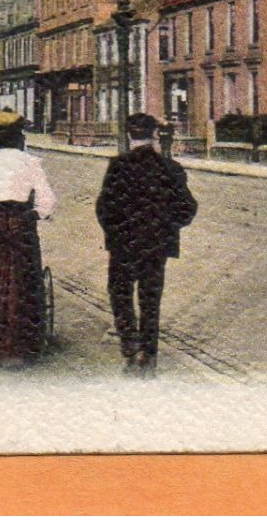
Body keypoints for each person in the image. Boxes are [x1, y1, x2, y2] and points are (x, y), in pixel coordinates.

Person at [96, 112, 198, 377]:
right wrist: (166, 228)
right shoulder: (170, 168)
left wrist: (116, 234)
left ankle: (129, 344)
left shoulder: (118, 166)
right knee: (151, 299)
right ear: (154, 135)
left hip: (123, 245)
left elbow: (104, 208)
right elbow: (187, 208)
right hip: (156, 246)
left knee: (120, 293)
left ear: (129, 134)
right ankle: (149, 355)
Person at [0, 109, 57, 363]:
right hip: (21, 222)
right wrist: (36, 214)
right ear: (19, 136)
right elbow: (47, 200)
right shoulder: (31, 162)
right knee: (25, 277)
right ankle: (24, 343)